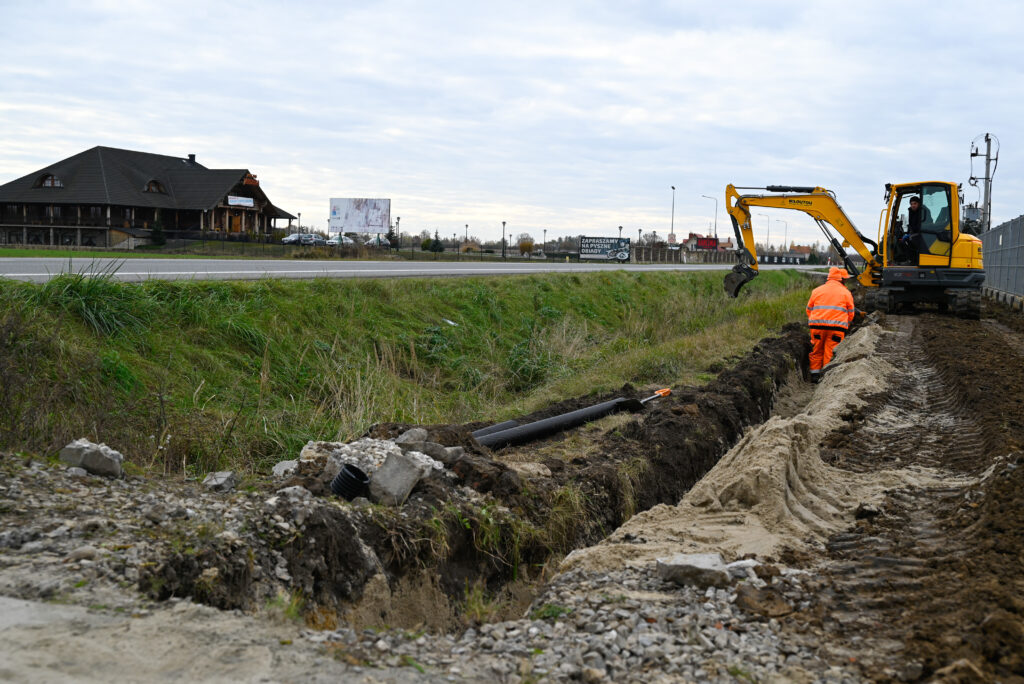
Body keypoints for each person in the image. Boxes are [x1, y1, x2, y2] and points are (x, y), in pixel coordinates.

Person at [805, 267, 856, 382]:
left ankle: (814, 375)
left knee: (816, 350)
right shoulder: (845, 292)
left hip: (817, 327)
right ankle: (826, 378)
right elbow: (851, 313)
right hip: (837, 329)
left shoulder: (817, 290)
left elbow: (809, 309)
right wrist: (846, 324)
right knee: (830, 351)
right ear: (840, 279)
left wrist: (815, 321)